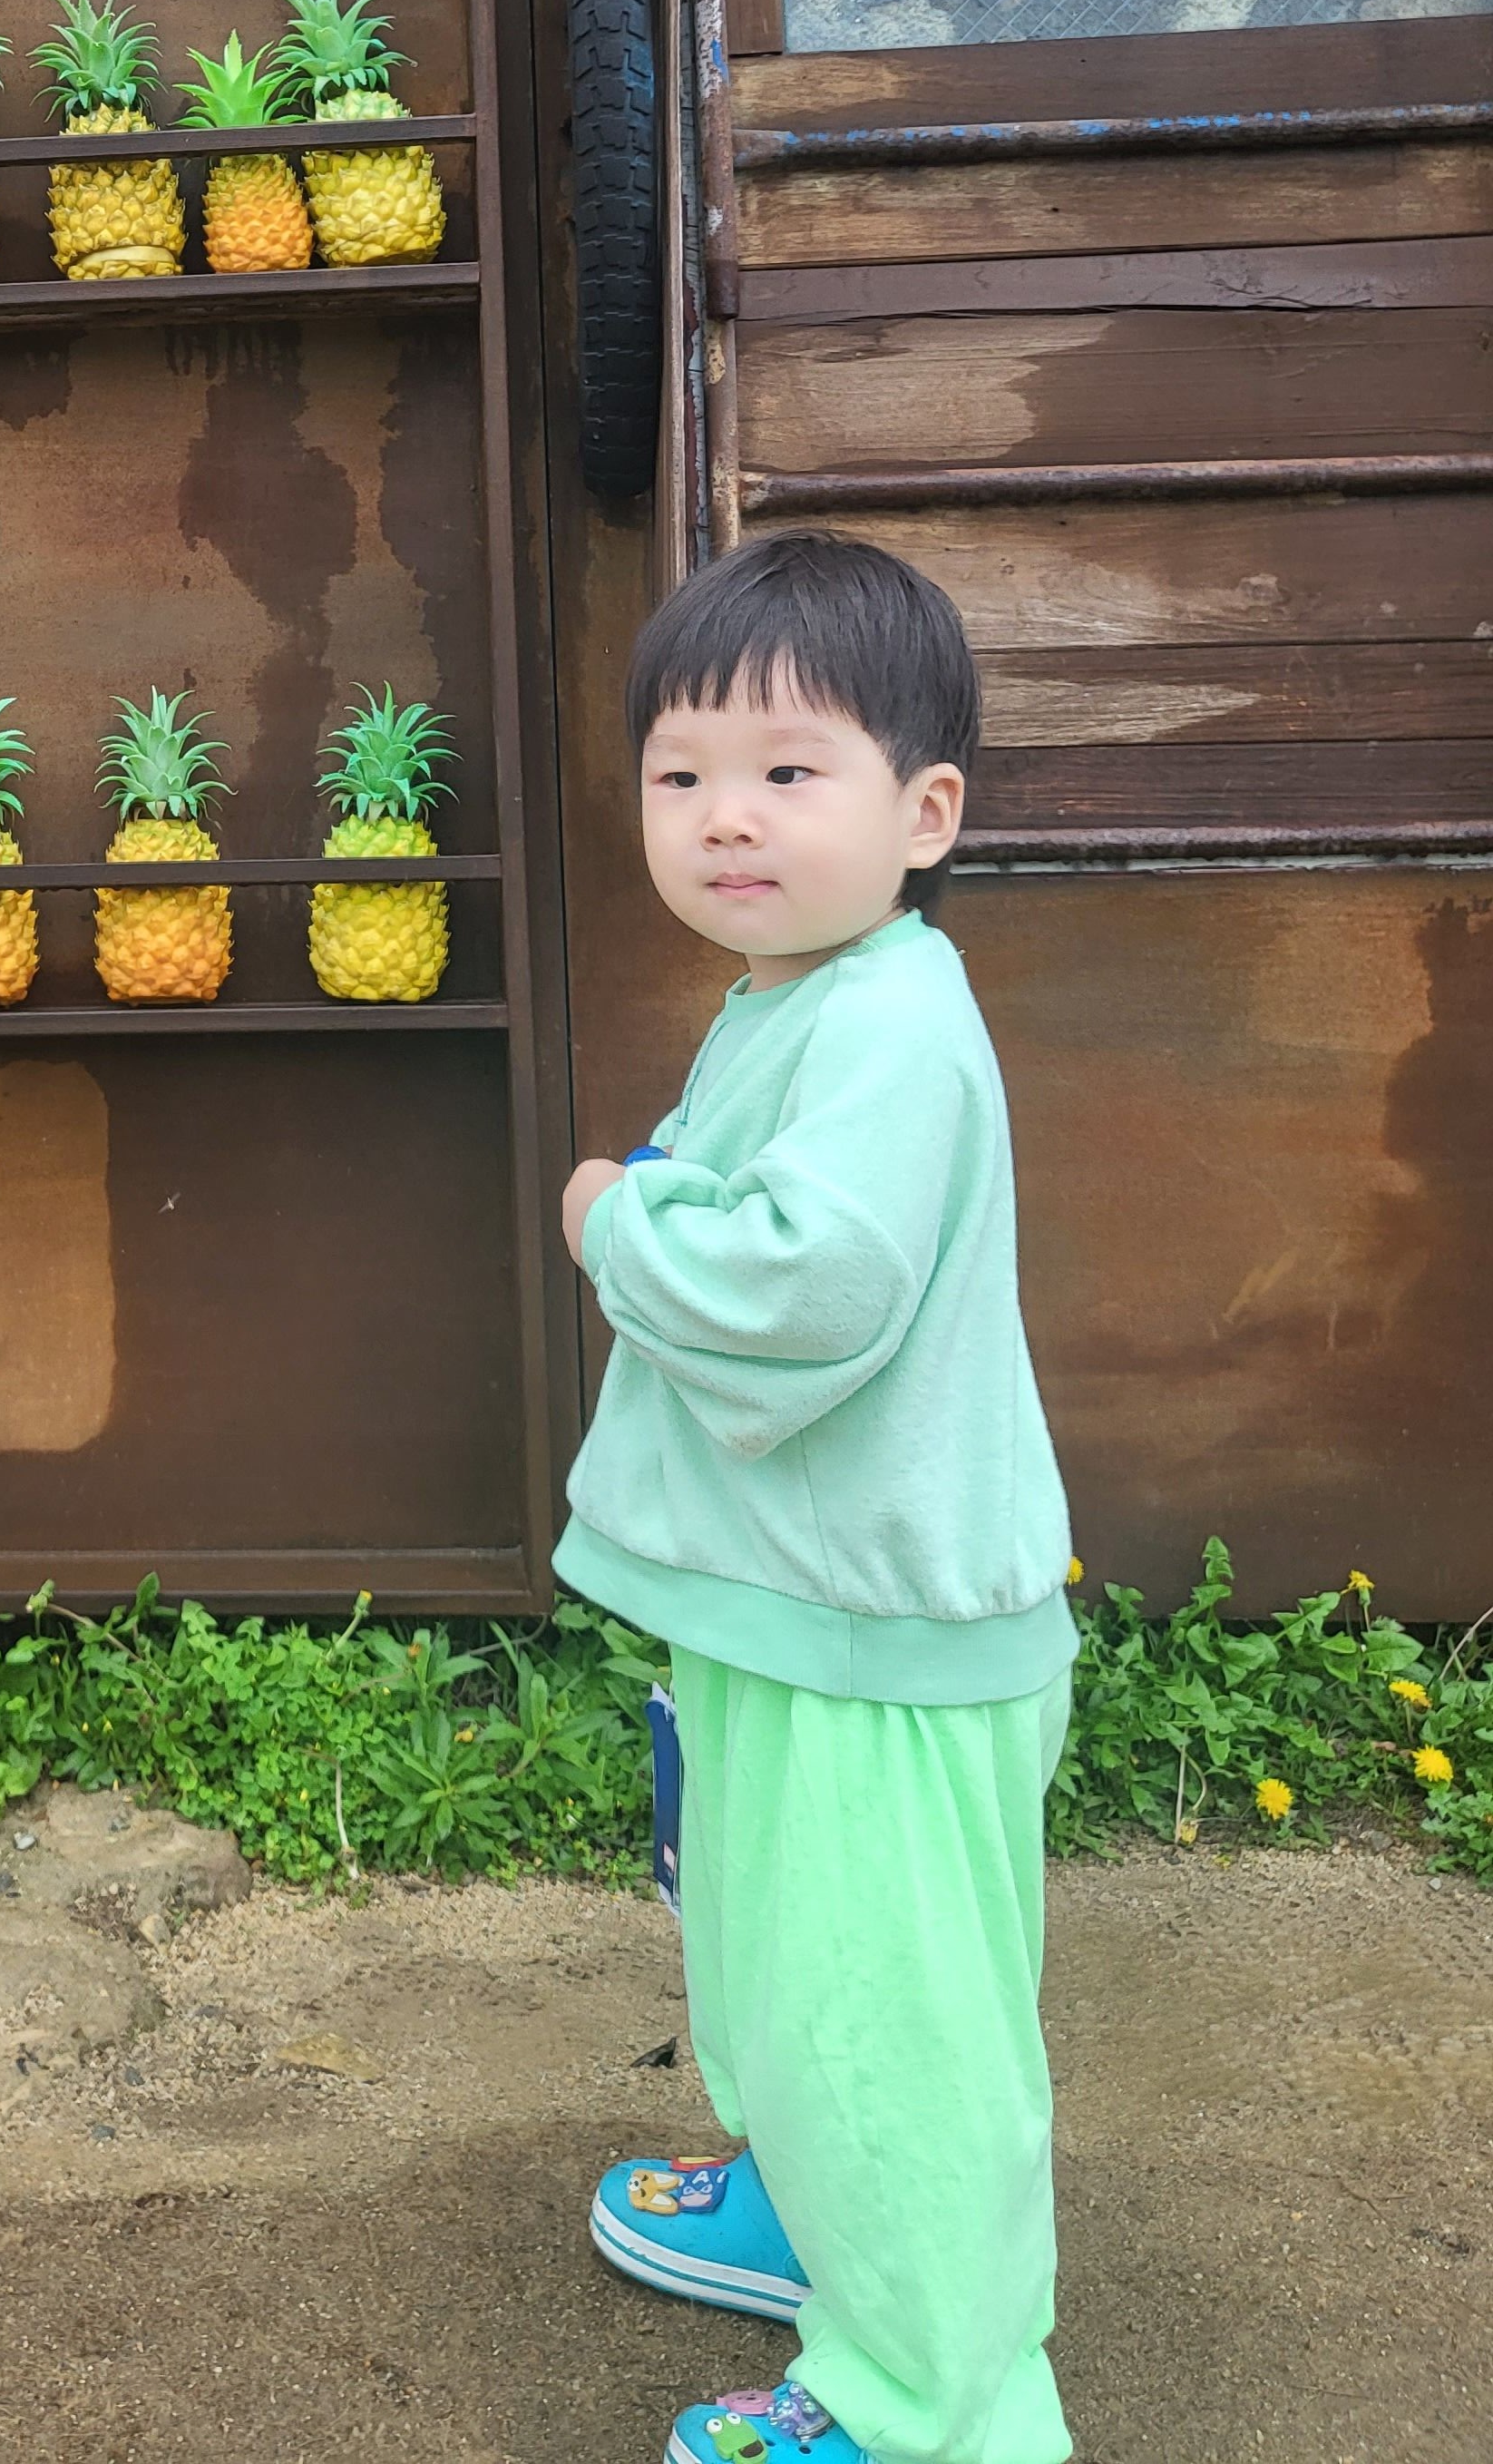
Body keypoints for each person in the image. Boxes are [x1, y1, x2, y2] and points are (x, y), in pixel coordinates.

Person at [558, 529, 1076, 2464]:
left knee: (893, 2030)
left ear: (924, 813)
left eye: (789, 769)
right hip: (804, 1603)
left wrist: (614, 1223)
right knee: (783, 1958)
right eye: (682, 772)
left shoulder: (887, 1021)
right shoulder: (800, 991)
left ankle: (935, 2405)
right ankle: (811, 2205)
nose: (726, 815)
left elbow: (810, 1284)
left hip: (878, 1639)